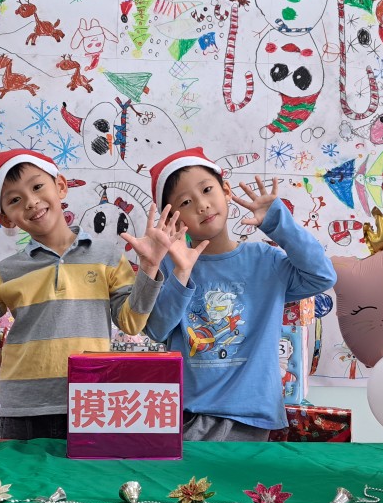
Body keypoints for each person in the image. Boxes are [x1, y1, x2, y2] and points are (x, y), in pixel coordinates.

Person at [0, 149, 176, 440]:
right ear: (6, 219)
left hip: (89, 402)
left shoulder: (108, 257)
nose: (31, 202)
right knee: (21, 472)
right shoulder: (9, 270)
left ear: (60, 186)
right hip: (22, 409)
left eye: (37, 186)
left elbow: (131, 323)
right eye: (14, 200)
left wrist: (149, 267)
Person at [143, 148, 336, 441]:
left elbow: (322, 276)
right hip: (189, 415)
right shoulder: (170, 266)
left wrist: (278, 223)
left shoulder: (265, 261)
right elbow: (157, 330)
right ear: (174, 219)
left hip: (253, 416)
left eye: (207, 190)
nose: (202, 205)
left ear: (226, 191)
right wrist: (181, 272)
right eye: (186, 202)